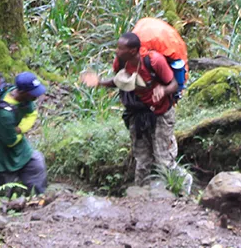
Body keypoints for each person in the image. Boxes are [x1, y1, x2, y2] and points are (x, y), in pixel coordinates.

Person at [80, 32, 193, 194]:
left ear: (133, 51)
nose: (117, 51)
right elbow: (119, 81)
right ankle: (139, 196)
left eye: (121, 48)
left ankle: (182, 185)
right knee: (142, 160)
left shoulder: (154, 61)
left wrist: (163, 90)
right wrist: (99, 82)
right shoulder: (121, 62)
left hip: (161, 113)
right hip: (137, 114)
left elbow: (174, 84)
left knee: (163, 159)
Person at [0, 71, 48, 195]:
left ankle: (39, 198)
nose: (36, 96)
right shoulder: (5, 114)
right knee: (0, 194)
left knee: (37, 163)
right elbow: (11, 141)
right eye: (33, 93)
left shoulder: (23, 97)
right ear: (22, 92)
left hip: (18, 147)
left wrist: (20, 129)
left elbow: (32, 112)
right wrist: (21, 132)